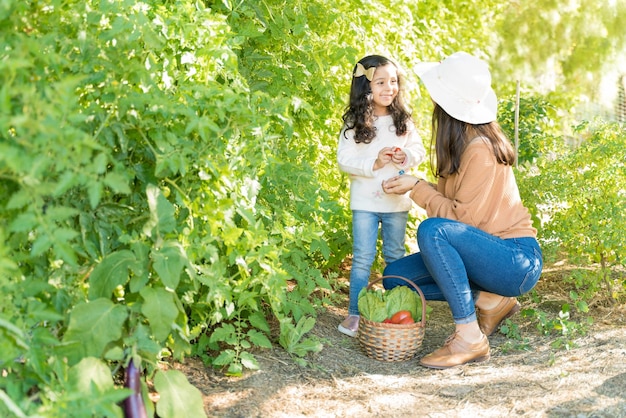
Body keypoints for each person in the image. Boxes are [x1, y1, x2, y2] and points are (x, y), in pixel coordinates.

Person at [381, 52, 543, 368]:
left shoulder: (480, 149)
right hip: (486, 257)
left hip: (514, 260)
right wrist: (420, 185)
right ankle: (490, 300)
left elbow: (455, 221)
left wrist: (417, 188)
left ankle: (469, 338)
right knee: (396, 277)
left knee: (431, 231)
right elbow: (458, 220)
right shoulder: (459, 145)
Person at [337, 55, 427, 337]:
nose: (389, 88)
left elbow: (419, 150)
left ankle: (393, 310)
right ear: (366, 86)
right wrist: (373, 163)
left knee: (395, 256)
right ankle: (354, 313)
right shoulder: (355, 122)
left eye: (393, 81)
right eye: (381, 82)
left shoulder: (403, 120)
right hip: (364, 202)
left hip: (395, 203)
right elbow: (344, 160)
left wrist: (406, 155)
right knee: (363, 258)